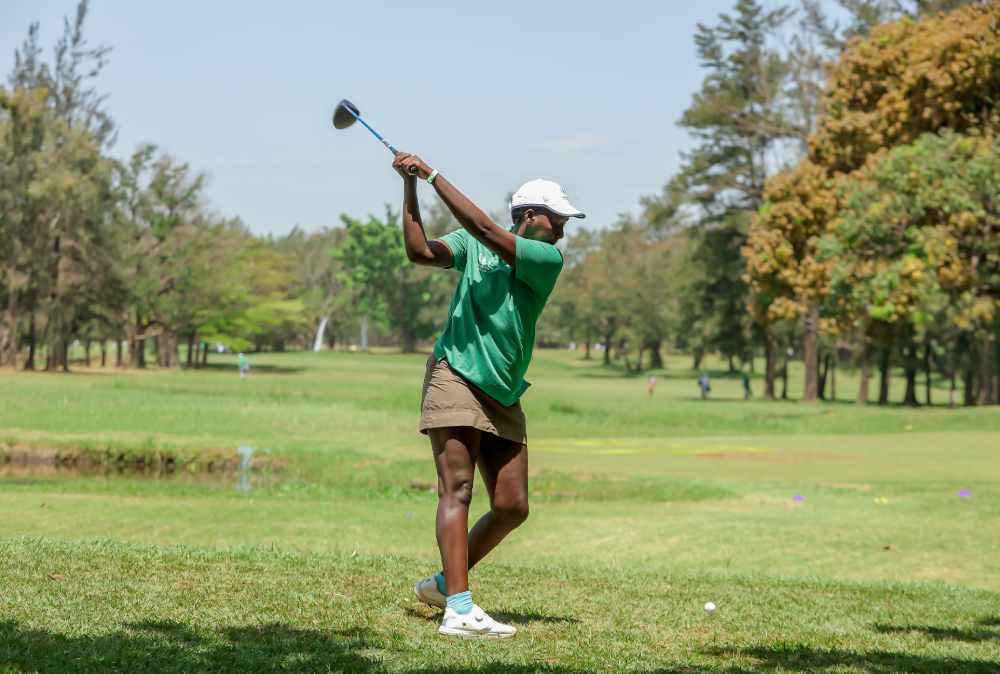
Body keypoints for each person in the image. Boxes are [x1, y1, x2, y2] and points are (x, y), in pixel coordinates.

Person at [392, 151, 584, 639]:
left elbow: (484, 230)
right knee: (456, 488)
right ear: (528, 216)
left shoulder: (546, 257)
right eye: (556, 218)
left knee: (512, 505)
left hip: (502, 388)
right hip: (454, 372)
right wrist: (411, 187)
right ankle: (458, 607)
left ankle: (442, 582)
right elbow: (419, 252)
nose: (562, 227)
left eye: (564, 220)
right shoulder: (472, 243)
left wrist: (433, 175)